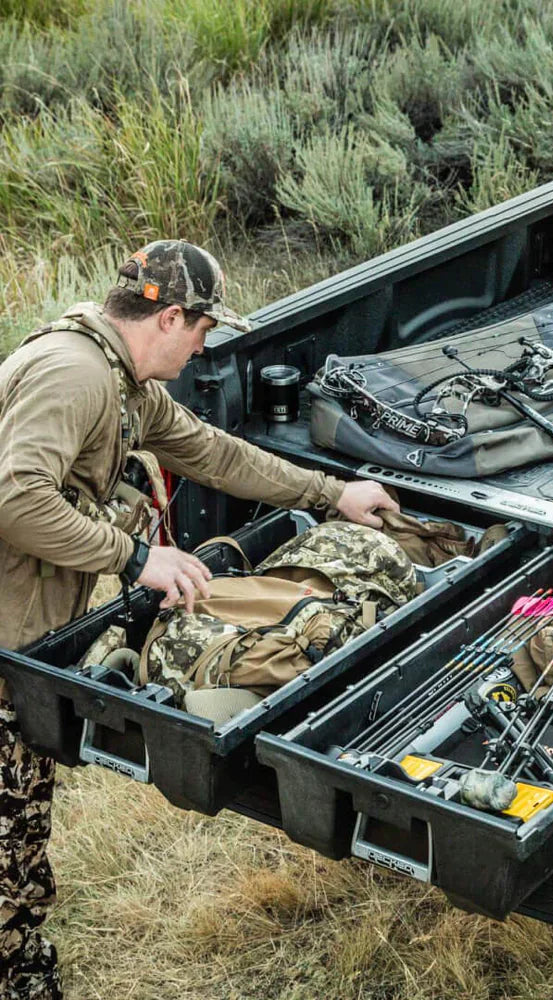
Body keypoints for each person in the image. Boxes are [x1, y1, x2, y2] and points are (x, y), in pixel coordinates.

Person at [0, 239, 400, 999]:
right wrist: (133, 557)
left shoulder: (119, 384)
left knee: (17, 826)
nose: (203, 348)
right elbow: (15, 499)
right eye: (203, 331)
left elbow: (213, 453)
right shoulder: (74, 375)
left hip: (16, 635)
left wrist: (330, 494)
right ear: (170, 316)